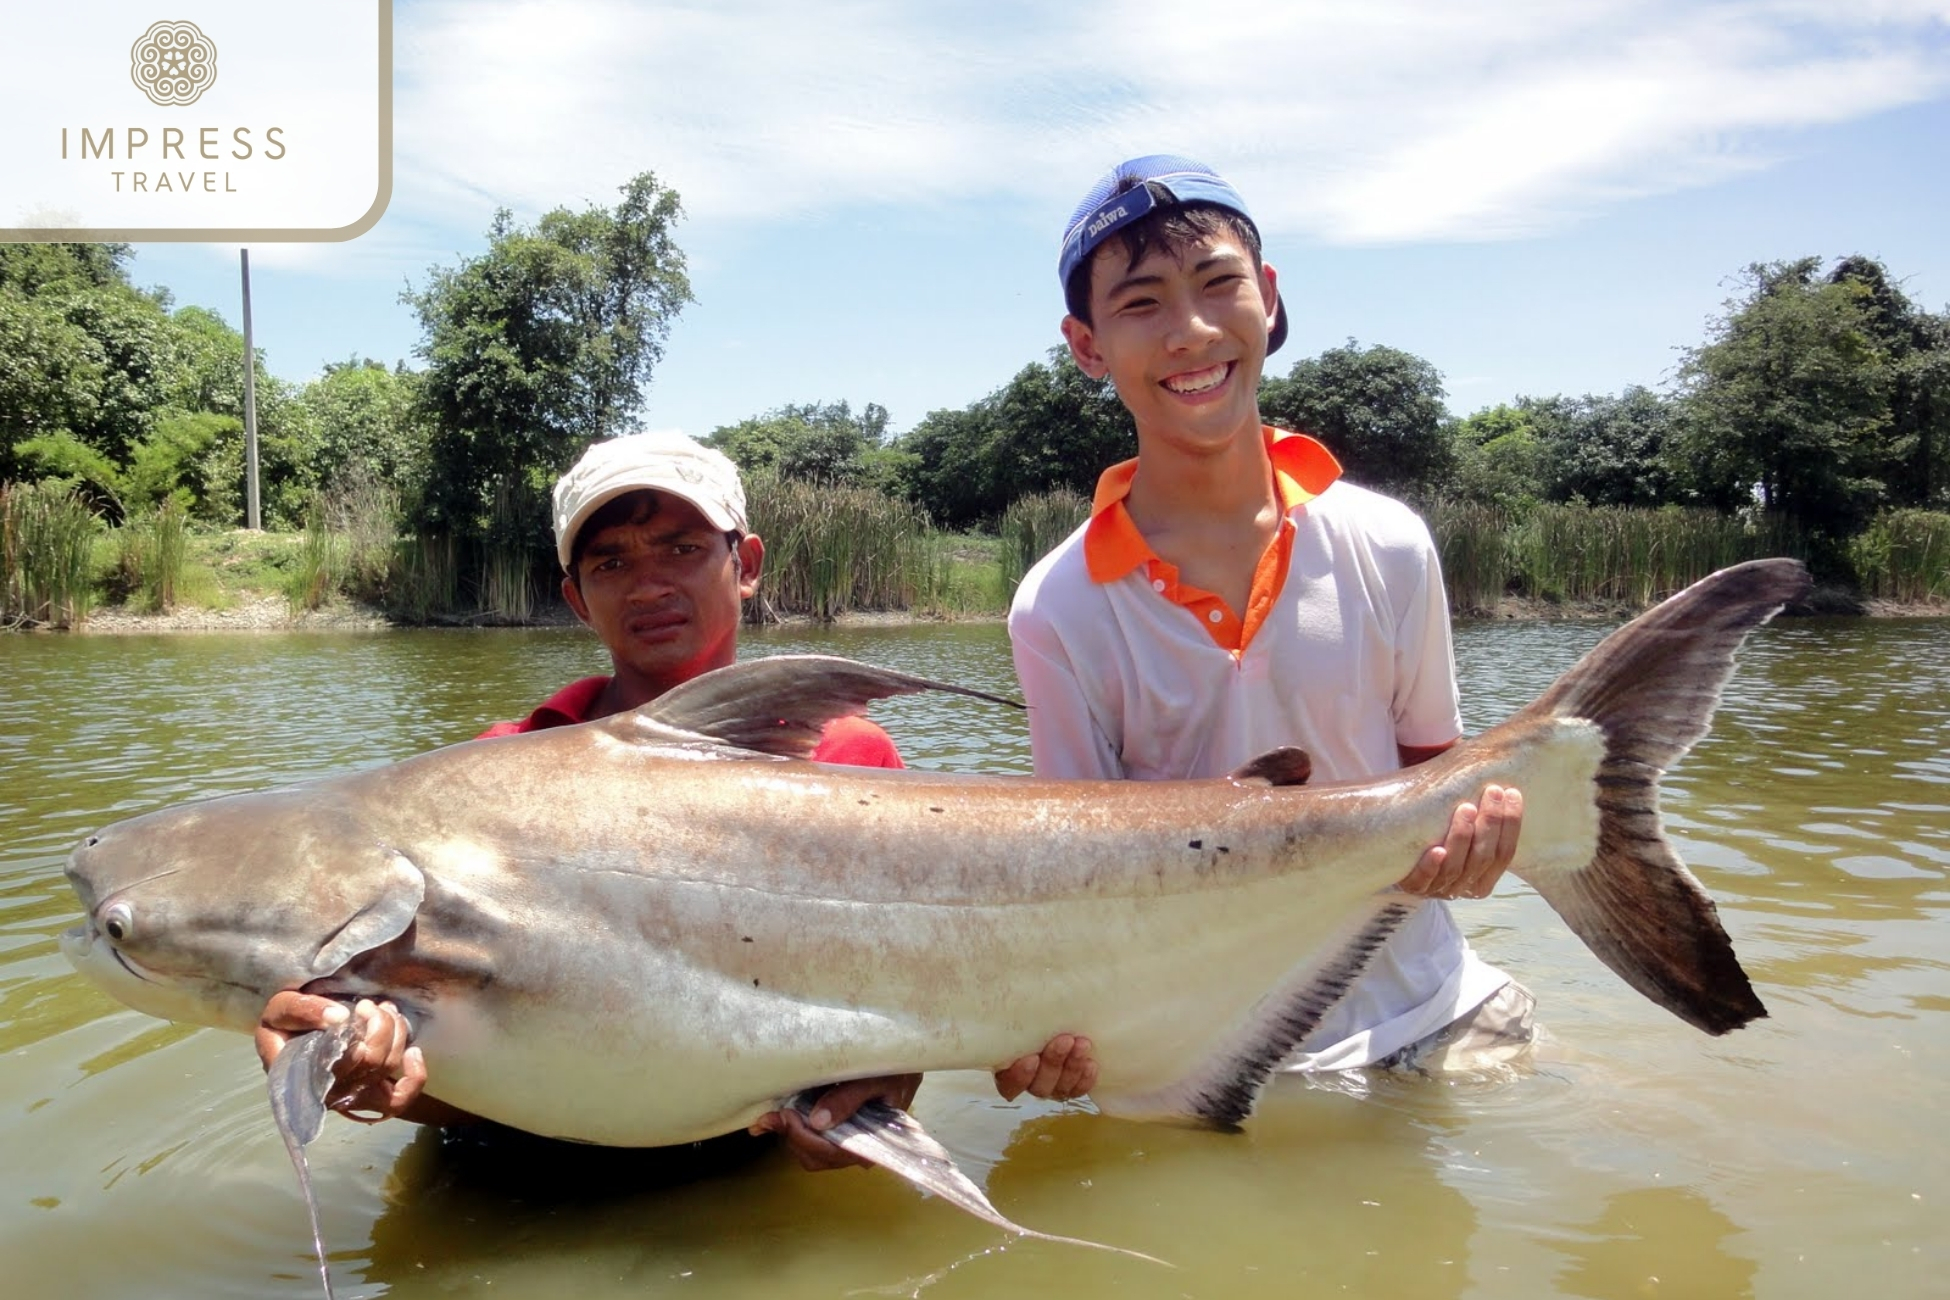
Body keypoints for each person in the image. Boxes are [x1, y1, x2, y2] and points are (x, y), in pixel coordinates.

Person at [256, 432, 1096, 1171]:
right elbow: (439, 1058)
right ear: (577, 598)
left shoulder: (851, 760)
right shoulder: (492, 773)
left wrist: (889, 1085)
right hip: (502, 1166)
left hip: (745, 1161)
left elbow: (895, 996)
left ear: (749, 565)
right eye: (611, 561)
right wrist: (361, 1076)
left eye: (682, 547)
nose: (648, 583)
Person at [1008, 156, 1534, 1077]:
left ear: (1271, 298)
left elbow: (1433, 780)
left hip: (1431, 1011)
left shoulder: (1391, 543)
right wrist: (1051, 1032)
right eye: (1141, 304)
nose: (1193, 331)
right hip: (1195, 1053)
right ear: (1086, 346)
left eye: (1220, 285)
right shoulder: (1057, 607)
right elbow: (1081, 888)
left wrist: (1475, 842)